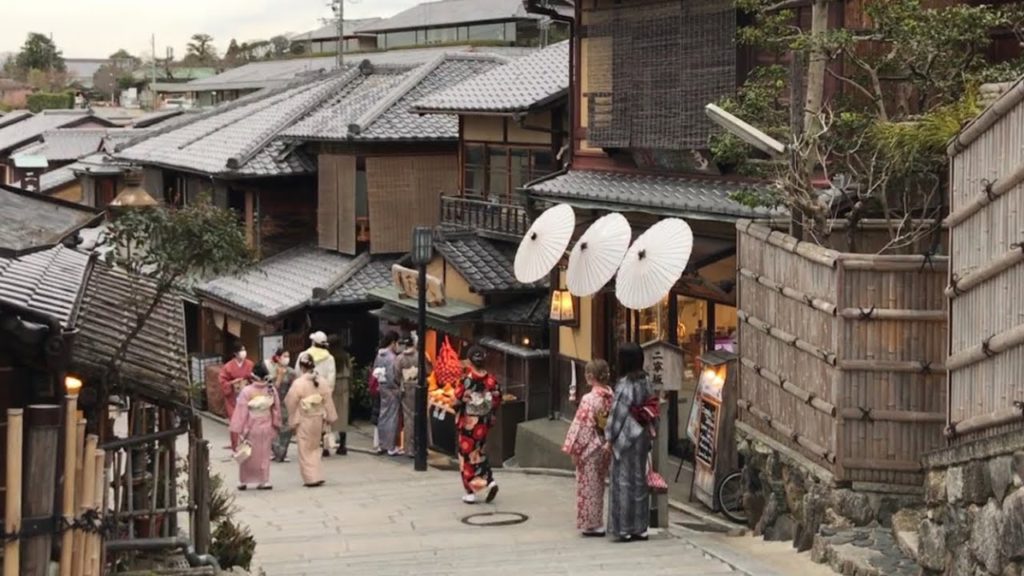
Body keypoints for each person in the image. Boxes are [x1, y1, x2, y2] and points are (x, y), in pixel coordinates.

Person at [605, 342, 657, 542]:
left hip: (626, 435)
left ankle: (624, 528)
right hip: (642, 432)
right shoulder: (646, 381)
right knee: (639, 479)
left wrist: (609, 437)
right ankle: (640, 527)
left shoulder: (625, 384)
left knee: (623, 480)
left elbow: (618, 412)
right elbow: (652, 404)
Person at [562, 359, 614, 536]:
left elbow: (581, 426)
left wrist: (575, 449)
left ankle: (592, 524)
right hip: (604, 444)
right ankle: (597, 521)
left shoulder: (589, 399)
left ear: (591, 376)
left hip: (590, 446)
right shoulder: (610, 395)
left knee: (588, 486)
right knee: (598, 486)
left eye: (586, 374)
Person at [453, 345, 501, 504]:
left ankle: (471, 491)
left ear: (469, 361)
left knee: (466, 456)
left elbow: (457, 398)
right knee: (479, 453)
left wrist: (463, 402)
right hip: (484, 423)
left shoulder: (466, 380)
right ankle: (490, 480)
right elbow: (497, 399)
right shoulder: (491, 380)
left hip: (469, 423)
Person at [284, 352, 337, 487]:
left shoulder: (299, 383)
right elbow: (327, 400)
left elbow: (290, 402)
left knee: (305, 449)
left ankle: (311, 478)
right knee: (314, 447)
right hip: (318, 418)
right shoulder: (322, 381)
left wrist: (292, 418)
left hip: (305, 418)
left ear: (301, 367)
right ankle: (317, 475)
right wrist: (330, 417)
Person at [229, 363, 281, 491]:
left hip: (251, 425)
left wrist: (239, 428)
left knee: (247, 453)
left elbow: (241, 410)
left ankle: (243, 481)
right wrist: (276, 424)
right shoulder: (271, 390)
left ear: (253, 376)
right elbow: (276, 409)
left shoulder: (247, 391)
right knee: (264, 454)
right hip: (266, 424)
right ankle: (264, 481)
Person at [298, 332, 338, 457]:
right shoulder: (329, 358)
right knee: (323, 421)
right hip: (322, 393)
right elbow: (331, 379)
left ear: (313, 342)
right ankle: (325, 447)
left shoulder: (303, 355)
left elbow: (298, 373)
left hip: (306, 393)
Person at [396, 333, 430, 458]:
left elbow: (396, 374)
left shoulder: (400, 358)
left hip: (407, 387)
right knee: (422, 416)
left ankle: (410, 448)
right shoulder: (420, 356)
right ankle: (423, 446)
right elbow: (428, 370)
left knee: (409, 418)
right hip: (420, 386)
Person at [218, 343, 253, 451]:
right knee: (235, 421)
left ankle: (248, 444)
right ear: (235, 354)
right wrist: (232, 382)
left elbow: (254, 378)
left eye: (244, 350)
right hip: (233, 397)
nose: (244, 352)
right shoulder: (228, 367)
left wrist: (250, 383)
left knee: (248, 420)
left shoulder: (250, 364)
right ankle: (235, 446)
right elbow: (222, 381)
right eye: (241, 350)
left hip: (247, 395)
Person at [373, 331, 402, 456]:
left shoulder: (379, 355)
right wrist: (397, 386)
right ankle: (390, 446)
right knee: (392, 417)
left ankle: (382, 444)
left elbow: (375, 370)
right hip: (391, 388)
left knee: (383, 415)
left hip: (382, 386)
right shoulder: (391, 358)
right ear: (393, 342)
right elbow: (393, 375)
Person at [266, 348, 295, 463]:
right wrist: (279, 377)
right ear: (278, 357)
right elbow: (270, 389)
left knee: (287, 429)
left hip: (286, 402)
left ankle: (283, 451)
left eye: (288, 356)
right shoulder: (271, 371)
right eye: (284, 356)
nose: (286, 359)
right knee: (274, 428)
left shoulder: (291, 372)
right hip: (273, 402)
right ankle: (275, 451)